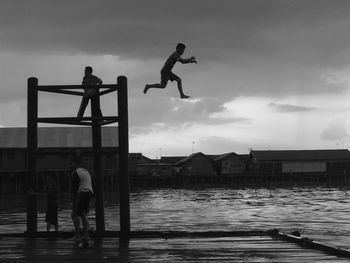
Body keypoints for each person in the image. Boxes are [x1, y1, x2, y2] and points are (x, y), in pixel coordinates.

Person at [70, 153, 94, 247]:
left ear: (74, 163)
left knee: (74, 214)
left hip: (82, 192)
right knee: (83, 214)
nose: (70, 165)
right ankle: (86, 235)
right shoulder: (85, 170)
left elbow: (75, 189)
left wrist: (74, 202)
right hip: (89, 192)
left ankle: (77, 235)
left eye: (71, 163)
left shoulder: (75, 173)